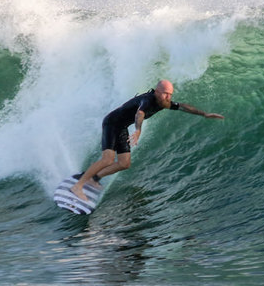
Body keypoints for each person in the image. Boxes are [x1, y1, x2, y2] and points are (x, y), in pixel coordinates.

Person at [70, 79, 224, 201]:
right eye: (165, 93)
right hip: (112, 123)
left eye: (170, 94)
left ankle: (94, 178)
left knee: (124, 163)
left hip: (122, 126)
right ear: (157, 91)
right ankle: (78, 186)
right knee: (108, 159)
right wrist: (138, 130)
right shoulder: (148, 100)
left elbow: (183, 106)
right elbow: (139, 114)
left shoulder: (163, 102)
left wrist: (204, 114)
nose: (168, 97)